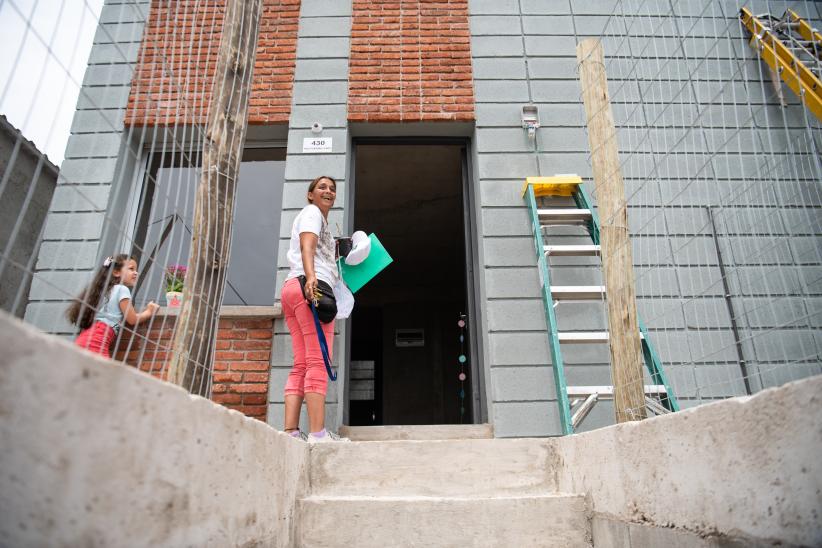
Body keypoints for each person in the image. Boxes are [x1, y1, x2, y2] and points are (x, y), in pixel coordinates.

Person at [282, 175, 347, 443]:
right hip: (310, 287)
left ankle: (291, 433)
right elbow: (306, 245)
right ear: (310, 195)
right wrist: (311, 279)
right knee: (318, 361)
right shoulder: (312, 213)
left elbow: (316, 250)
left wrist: (338, 252)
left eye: (332, 188)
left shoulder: (322, 223)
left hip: (291, 289)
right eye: (322, 187)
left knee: (301, 364)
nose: (328, 191)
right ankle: (319, 435)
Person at [67, 254, 159, 359]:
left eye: (136, 270)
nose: (136, 273)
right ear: (116, 272)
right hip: (95, 343)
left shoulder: (105, 291)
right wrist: (149, 312)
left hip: (84, 340)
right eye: (131, 269)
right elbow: (132, 319)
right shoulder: (121, 289)